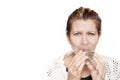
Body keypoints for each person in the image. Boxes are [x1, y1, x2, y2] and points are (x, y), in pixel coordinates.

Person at [41, 7, 120, 80]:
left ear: (99, 36)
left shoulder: (115, 68)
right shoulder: (52, 71)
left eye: (91, 34)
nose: (84, 42)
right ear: (68, 37)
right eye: (77, 34)